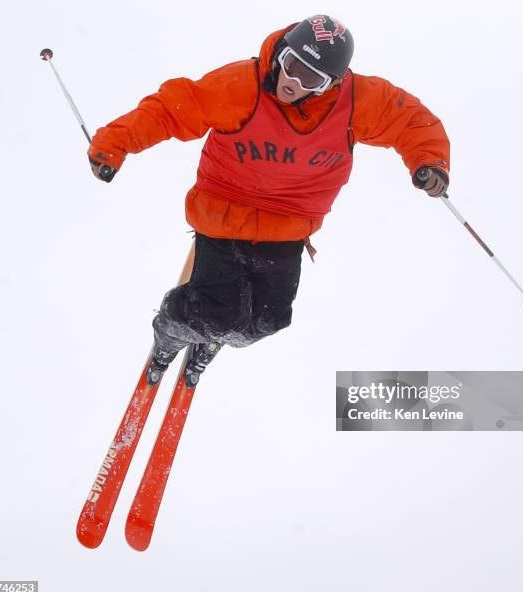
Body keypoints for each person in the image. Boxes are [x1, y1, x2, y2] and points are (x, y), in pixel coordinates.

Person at [87, 15, 451, 387]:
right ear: (281, 52)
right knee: (220, 312)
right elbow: (171, 108)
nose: (291, 82)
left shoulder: (357, 102)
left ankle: (214, 338)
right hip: (224, 212)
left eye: (310, 78)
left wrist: (429, 162)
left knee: (268, 320)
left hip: (289, 224)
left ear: (332, 84)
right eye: (291, 64)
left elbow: (411, 122)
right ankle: (172, 329)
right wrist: (113, 145)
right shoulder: (241, 86)